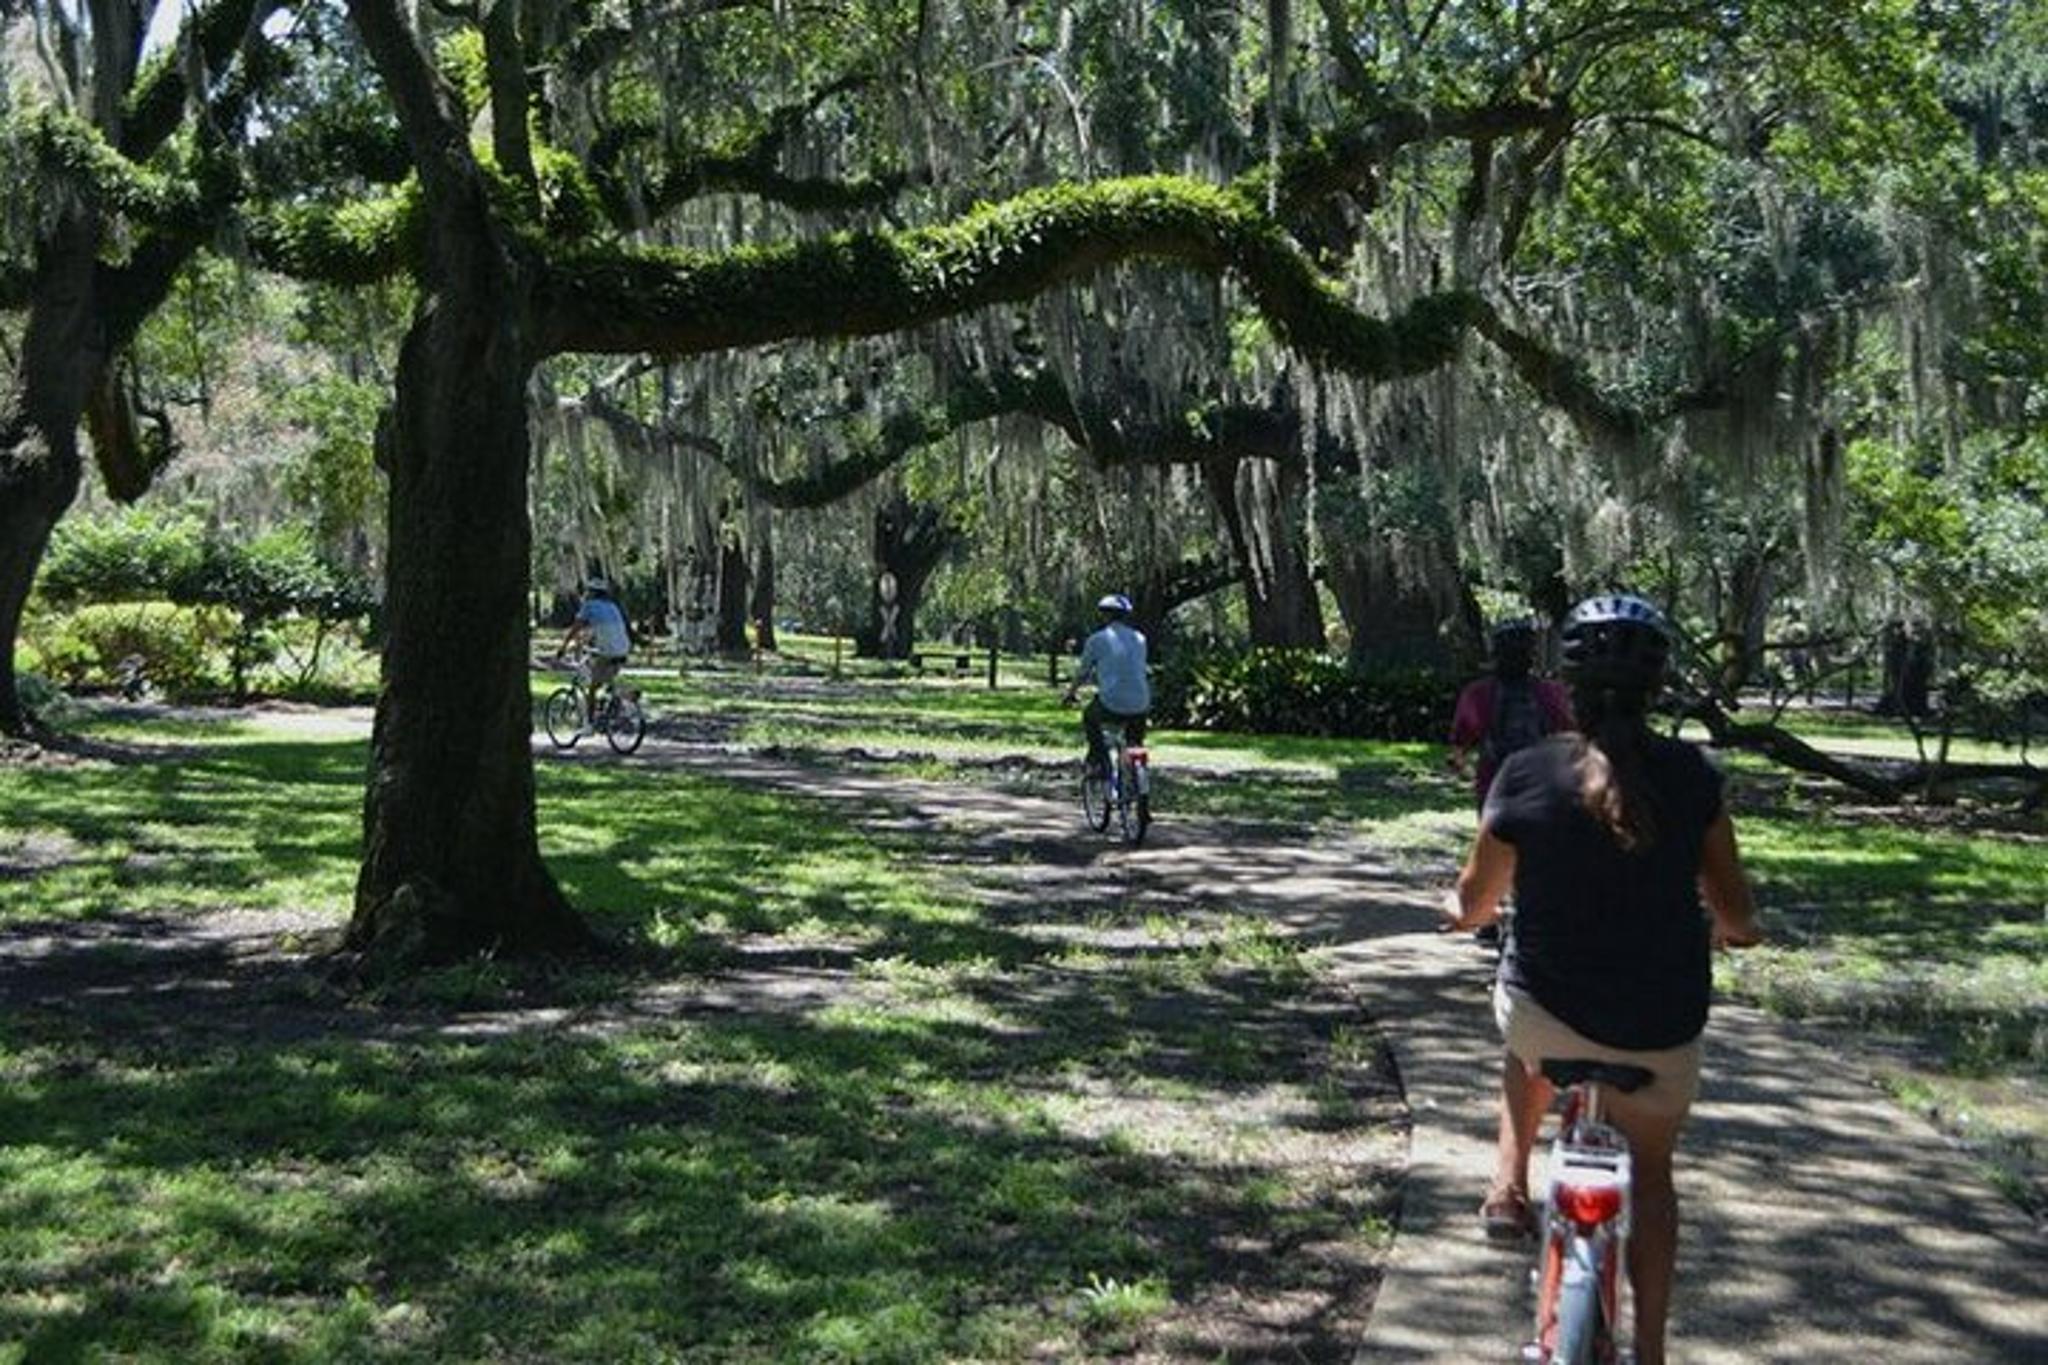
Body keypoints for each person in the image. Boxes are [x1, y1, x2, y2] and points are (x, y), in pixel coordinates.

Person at [1440, 593, 1762, 1365]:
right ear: (1660, 687)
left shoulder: (1522, 771)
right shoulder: (1693, 777)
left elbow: (1477, 900)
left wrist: (1452, 909)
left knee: (1523, 1036)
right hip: (1663, 1029)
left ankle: (1508, 1185)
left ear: (1568, 681)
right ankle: (1649, 1349)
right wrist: (1737, 931)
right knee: (1651, 1172)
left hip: (1546, 1017)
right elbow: (1738, 911)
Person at [1448, 618, 1573, 810]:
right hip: (1542, 790)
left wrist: (1469, 773)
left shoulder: (1476, 694)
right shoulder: (1552, 692)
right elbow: (1572, 741)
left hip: (1493, 790)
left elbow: (1458, 752)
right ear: (1531, 654)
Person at [1061, 594, 1150, 775]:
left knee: (1090, 717)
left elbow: (1083, 672)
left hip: (1111, 703)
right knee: (1134, 741)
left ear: (1104, 615)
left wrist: (1070, 693)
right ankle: (1136, 775)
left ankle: (1098, 760)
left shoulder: (1097, 639)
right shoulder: (1140, 639)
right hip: (1141, 702)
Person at [556, 577, 632, 721]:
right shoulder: (612, 606)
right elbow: (599, 629)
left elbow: (576, 628)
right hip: (623, 648)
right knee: (607, 680)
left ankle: (589, 725)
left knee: (592, 688)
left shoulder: (589, 605)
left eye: (587, 591)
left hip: (609, 650)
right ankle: (617, 704)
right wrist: (587, 643)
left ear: (591, 593)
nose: (586, 594)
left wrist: (563, 647)